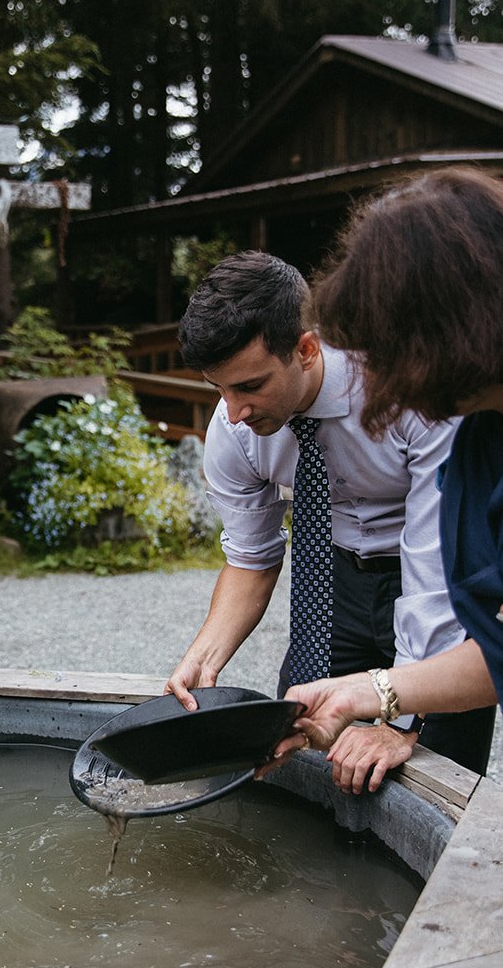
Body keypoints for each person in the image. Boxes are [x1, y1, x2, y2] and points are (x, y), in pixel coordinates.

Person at [165, 250, 495, 791]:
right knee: (296, 745)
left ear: (306, 349)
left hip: (436, 577)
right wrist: (204, 657)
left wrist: (399, 723)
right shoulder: (235, 425)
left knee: (433, 775)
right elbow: (251, 557)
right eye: (217, 388)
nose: (232, 413)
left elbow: (436, 564)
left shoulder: (407, 391)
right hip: (331, 577)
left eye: (249, 386)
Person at [282, 166, 503, 782]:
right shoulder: (480, 440)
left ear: (451, 326)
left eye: (382, 349)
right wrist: (366, 694)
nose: (371, 378)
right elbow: (495, 650)